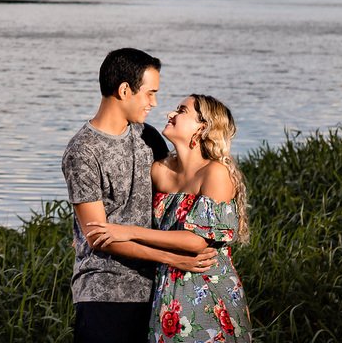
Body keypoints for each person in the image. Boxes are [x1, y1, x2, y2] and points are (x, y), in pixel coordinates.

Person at [63, 49, 218, 343]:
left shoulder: (148, 136)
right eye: (150, 93)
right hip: (105, 293)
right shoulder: (82, 150)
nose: (154, 103)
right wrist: (173, 258)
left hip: (160, 291)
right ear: (124, 90)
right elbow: (98, 236)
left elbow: (177, 187)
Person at [86, 95, 251, 343]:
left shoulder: (215, 172)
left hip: (208, 287)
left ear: (202, 127)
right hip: (166, 292)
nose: (170, 114)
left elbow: (197, 242)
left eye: (182, 110)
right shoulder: (160, 171)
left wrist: (128, 232)